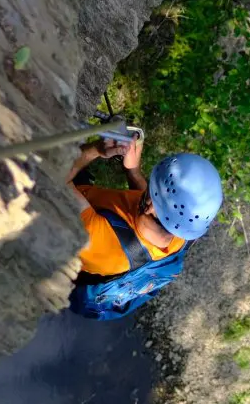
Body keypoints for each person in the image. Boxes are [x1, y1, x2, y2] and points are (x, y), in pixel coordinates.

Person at [65, 134, 222, 319]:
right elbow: (150, 201)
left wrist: (96, 150)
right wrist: (132, 170)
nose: (147, 190)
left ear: (150, 205)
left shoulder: (100, 241)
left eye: (152, 190)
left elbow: (53, 178)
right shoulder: (180, 231)